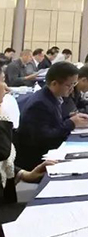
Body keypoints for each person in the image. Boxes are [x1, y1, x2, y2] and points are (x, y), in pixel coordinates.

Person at [1, 68, 56, 227]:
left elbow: (3, 163)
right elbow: (3, 153)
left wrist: (26, 174)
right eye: (2, 81)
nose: (6, 88)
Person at [14, 62, 88, 169]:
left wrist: (70, 118)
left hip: (49, 151)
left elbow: (54, 123)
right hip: (38, 161)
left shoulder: (54, 96)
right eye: (69, 85)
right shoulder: (39, 104)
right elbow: (46, 138)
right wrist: (70, 123)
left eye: (74, 84)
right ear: (54, 83)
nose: (72, 89)